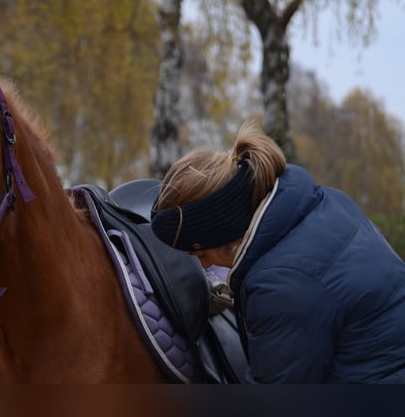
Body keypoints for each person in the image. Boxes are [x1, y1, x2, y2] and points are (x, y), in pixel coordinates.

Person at [150, 118, 405, 383]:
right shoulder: (327, 203)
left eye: (202, 254)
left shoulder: (280, 285)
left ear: (224, 234)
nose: (203, 266)